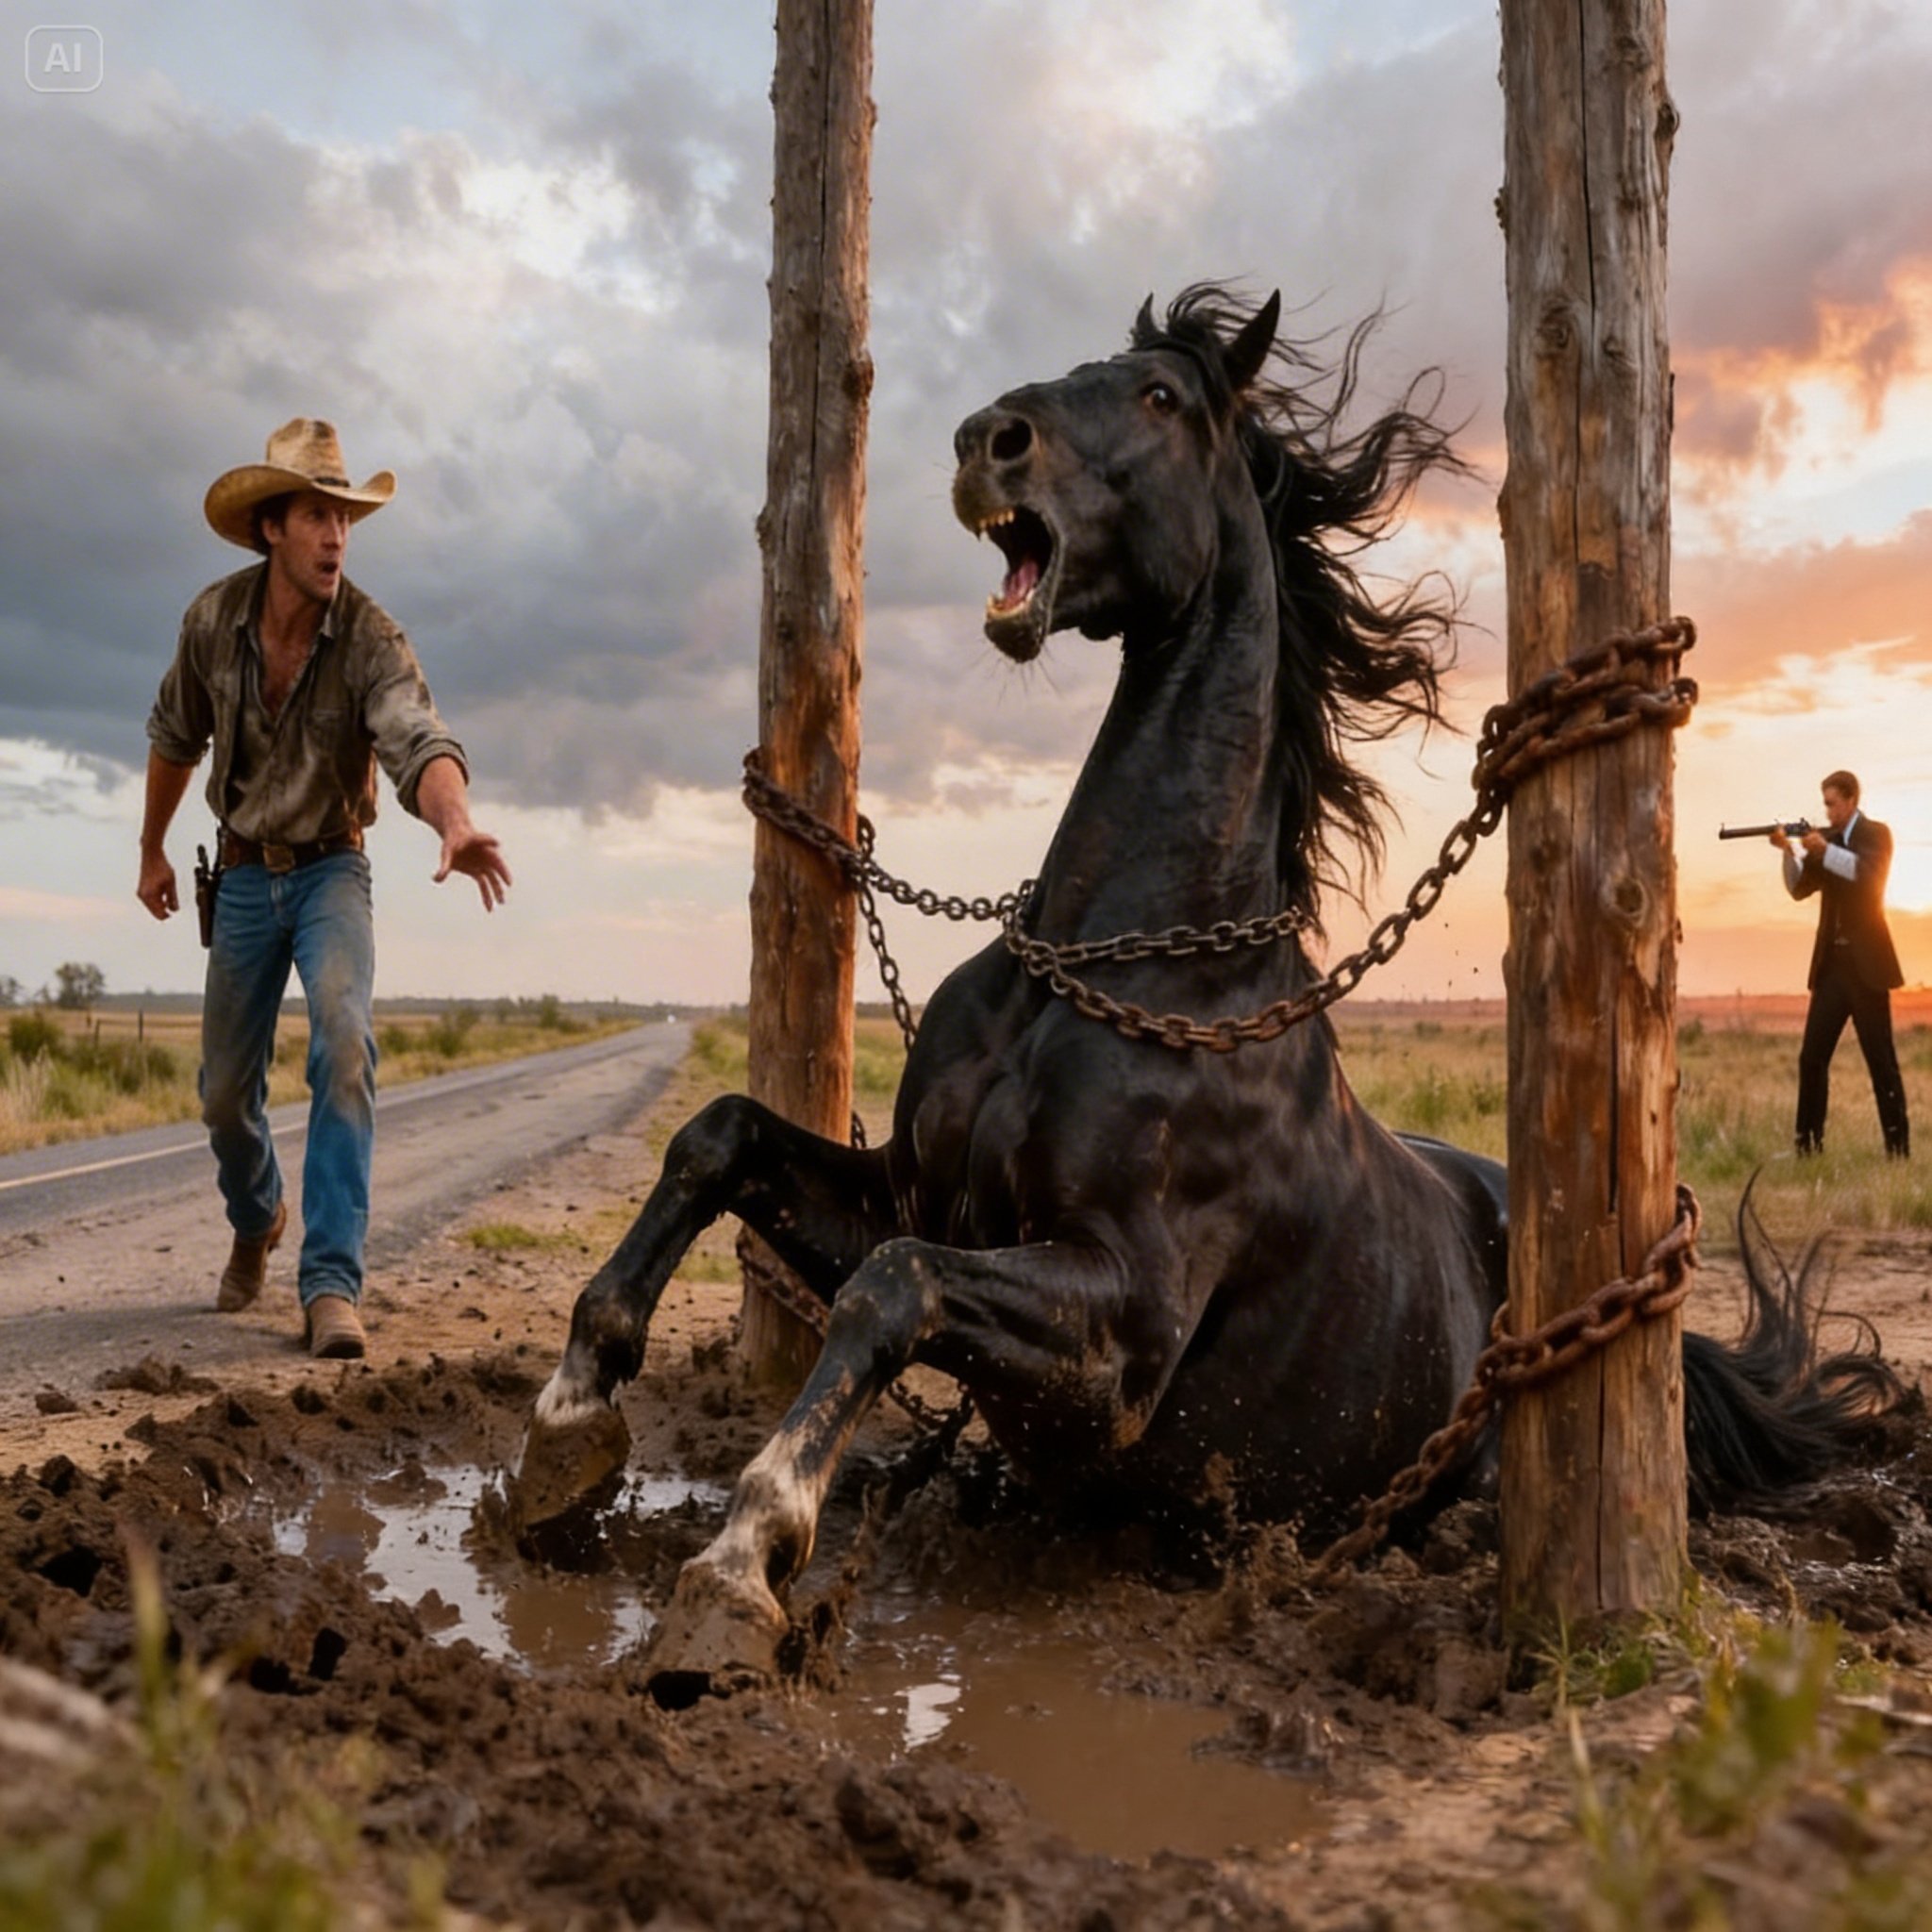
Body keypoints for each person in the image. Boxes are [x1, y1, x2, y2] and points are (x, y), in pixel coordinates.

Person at [137, 419, 512, 1358]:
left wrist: (454, 820)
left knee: (344, 1042)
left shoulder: (372, 637)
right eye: (316, 515)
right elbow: (174, 735)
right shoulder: (211, 622)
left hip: (331, 869)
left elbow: (416, 736)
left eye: (344, 517)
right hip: (240, 869)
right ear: (273, 527)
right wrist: (150, 850)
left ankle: (331, 1282)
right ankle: (258, 1211)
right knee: (225, 1093)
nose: (336, 535)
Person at [1771, 770, 1909, 1158]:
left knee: (1881, 1063)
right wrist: (1789, 851)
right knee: (1812, 1059)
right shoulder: (1825, 842)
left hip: (1867, 970)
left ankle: (1898, 1151)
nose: (1828, 811)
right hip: (1832, 968)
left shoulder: (1877, 835)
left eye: (1832, 803)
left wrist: (1823, 851)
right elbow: (1800, 888)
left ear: (1851, 800)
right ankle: (1807, 1149)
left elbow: (1867, 877)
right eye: (1826, 804)